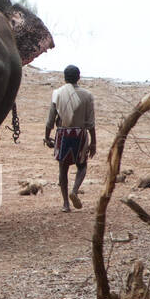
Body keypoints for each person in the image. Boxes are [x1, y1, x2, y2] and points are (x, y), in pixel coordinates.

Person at [44, 64, 97, 212]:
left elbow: (50, 120)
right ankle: (75, 190)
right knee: (82, 166)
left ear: (65, 78)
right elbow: (91, 123)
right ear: (78, 77)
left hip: (63, 134)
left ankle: (66, 204)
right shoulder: (88, 95)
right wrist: (93, 142)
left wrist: (47, 137)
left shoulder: (57, 93)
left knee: (63, 169)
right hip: (80, 134)